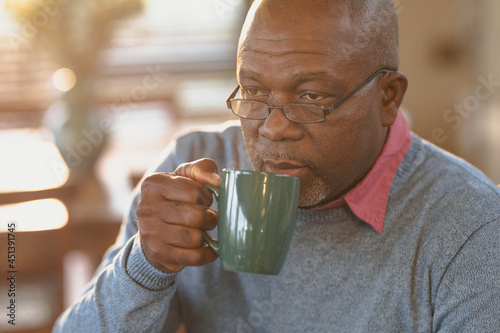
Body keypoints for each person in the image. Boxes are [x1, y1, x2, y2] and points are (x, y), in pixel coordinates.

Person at [54, 0, 500, 332]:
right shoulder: (194, 173)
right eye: (253, 91)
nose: (272, 129)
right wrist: (145, 266)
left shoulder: (470, 228)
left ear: (388, 98)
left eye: (310, 97)